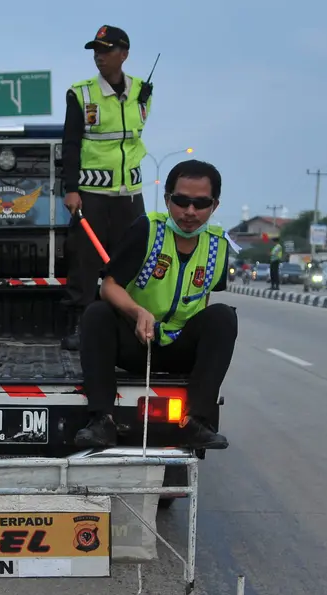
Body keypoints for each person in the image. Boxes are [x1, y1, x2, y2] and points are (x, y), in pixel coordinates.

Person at [73, 159, 237, 451]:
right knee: (96, 313)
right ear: (167, 199)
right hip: (137, 342)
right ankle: (101, 421)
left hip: (179, 348)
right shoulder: (147, 230)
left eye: (200, 204)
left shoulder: (218, 244)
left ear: (215, 206)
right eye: (181, 201)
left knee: (224, 317)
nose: (189, 211)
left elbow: (206, 298)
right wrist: (137, 313)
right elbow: (109, 286)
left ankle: (198, 422)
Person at [60, 24, 153, 350]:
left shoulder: (143, 91)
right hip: (92, 195)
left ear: (123, 54)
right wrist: (71, 189)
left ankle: (130, 321)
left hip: (130, 196)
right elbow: (70, 145)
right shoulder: (81, 94)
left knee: (129, 260)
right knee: (84, 262)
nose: (99, 56)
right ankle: (78, 325)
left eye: (106, 50)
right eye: (96, 50)